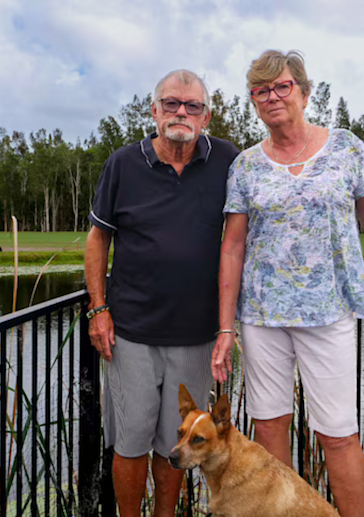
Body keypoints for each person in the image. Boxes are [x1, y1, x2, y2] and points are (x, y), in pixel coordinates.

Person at [211, 50, 364, 517]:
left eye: (282, 86)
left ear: (304, 92)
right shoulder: (246, 166)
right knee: (269, 432)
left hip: (329, 312)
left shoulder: (346, 148)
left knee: (337, 434)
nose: (272, 96)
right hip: (262, 318)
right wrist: (226, 328)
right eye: (260, 90)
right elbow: (232, 246)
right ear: (254, 101)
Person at [85, 70, 239, 517]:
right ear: (154, 111)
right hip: (130, 333)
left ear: (206, 116)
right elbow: (98, 238)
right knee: (131, 440)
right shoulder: (123, 164)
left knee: (177, 442)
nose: (181, 112)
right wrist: (98, 309)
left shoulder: (228, 160)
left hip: (197, 335)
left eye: (192, 106)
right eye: (171, 103)